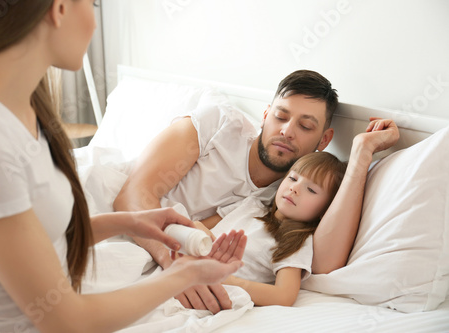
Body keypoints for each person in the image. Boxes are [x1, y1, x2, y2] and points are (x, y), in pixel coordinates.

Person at [0, 1, 245, 332]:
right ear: (59, 8)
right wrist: (184, 275)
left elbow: (44, 238)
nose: (94, 25)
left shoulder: (19, 111)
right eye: (91, 4)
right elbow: (66, 319)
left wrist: (132, 223)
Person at [113, 70, 400, 312]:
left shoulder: (283, 197)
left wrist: (362, 153)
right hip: (106, 209)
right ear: (265, 115)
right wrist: (175, 260)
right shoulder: (217, 125)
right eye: (281, 116)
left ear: (324, 139)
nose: (287, 131)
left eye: (305, 125)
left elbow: (324, 263)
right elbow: (130, 196)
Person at [192, 152, 347, 306]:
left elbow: (284, 296)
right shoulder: (251, 205)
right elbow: (198, 225)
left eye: (311, 190)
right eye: (293, 178)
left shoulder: (294, 241)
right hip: (187, 262)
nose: (294, 188)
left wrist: (231, 281)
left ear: (325, 210)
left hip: (209, 286)